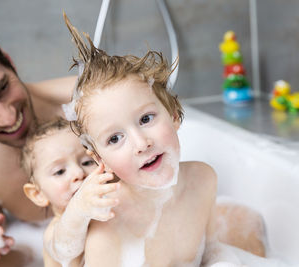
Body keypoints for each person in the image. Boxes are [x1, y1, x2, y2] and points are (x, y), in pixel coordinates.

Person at [57, 14, 266, 266]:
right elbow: (63, 250)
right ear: (102, 160)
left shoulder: (203, 179)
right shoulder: (108, 221)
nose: (141, 143)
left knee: (252, 231)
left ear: (174, 114)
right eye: (115, 138)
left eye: (146, 119)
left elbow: (211, 250)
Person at [0, 18, 76, 266]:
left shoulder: (86, 105)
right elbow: (4, 261)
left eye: (2, 88)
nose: (8, 117)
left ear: (8, 61)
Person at [21, 117, 120, 266]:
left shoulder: (114, 207)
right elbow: (66, 248)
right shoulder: (54, 233)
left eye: (87, 162)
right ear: (38, 194)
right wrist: (79, 209)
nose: (78, 173)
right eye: (60, 171)